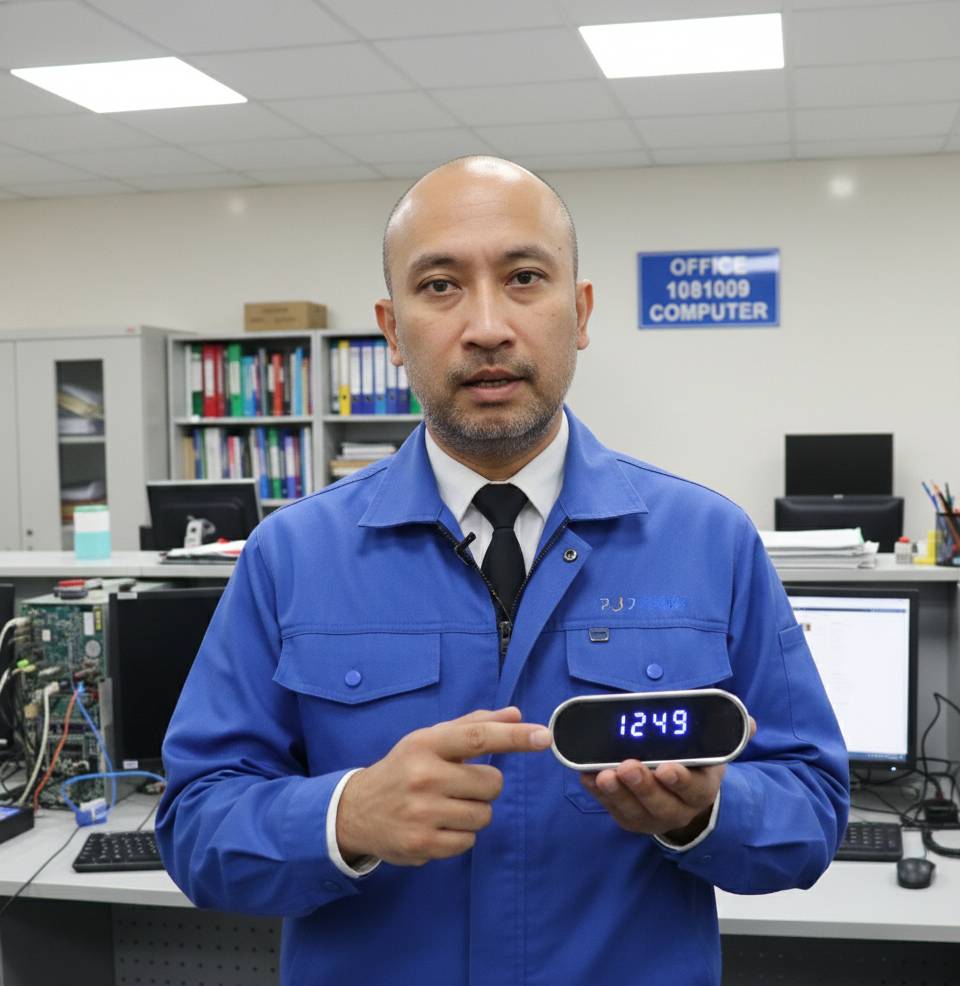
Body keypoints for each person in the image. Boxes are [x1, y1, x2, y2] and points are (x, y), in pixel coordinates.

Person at [157, 156, 849, 985]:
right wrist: (344, 817)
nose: (486, 326)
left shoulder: (711, 541)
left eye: (524, 277)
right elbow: (195, 825)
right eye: (440, 286)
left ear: (580, 312)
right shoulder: (292, 555)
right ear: (391, 330)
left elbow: (812, 808)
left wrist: (705, 813)